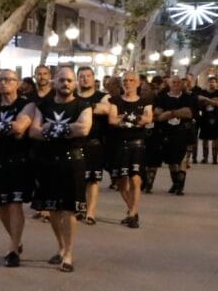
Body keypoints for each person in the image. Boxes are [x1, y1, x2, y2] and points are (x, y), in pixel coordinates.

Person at [25, 66, 92, 272]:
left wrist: (50, 128)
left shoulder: (83, 105)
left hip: (73, 161)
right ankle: (61, 246)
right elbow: (34, 132)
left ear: (75, 83)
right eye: (62, 80)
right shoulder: (43, 105)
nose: (66, 84)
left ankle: (69, 254)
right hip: (48, 161)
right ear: (55, 82)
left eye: (69, 81)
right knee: (52, 208)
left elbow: (84, 129)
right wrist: (67, 129)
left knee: (69, 209)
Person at [0, 69, 33, 267]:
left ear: (17, 83)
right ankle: (16, 241)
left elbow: (20, 127)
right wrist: (5, 129)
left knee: (14, 204)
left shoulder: (26, 104)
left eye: (9, 80)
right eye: (0, 80)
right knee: (1, 206)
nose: (4, 83)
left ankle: (12, 249)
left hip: (18, 160)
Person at [107, 71, 151, 228]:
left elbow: (147, 119)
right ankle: (133, 209)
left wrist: (123, 117)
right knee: (121, 182)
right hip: (119, 144)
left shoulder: (146, 101)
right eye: (125, 80)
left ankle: (132, 214)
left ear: (138, 83)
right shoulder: (115, 100)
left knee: (135, 179)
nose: (128, 83)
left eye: (131, 80)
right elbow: (112, 120)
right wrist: (134, 118)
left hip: (137, 144)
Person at [74, 66, 110, 224]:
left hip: (94, 143)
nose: (85, 79)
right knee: (76, 178)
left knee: (92, 180)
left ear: (93, 78)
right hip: (75, 143)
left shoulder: (103, 95)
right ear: (78, 78)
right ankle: (79, 208)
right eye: (82, 76)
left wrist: (81, 106)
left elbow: (106, 109)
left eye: (88, 76)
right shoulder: (72, 95)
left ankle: (90, 213)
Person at [153, 74, 199, 195]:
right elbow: (159, 116)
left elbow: (189, 113)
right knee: (172, 160)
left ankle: (180, 187)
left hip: (185, 132)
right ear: (169, 84)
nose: (176, 85)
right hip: (168, 133)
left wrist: (171, 112)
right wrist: (179, 112)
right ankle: (175, 184)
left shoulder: (188, 97)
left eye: (178, 82)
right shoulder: (162, 97)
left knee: (183, 160)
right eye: (173, 82)